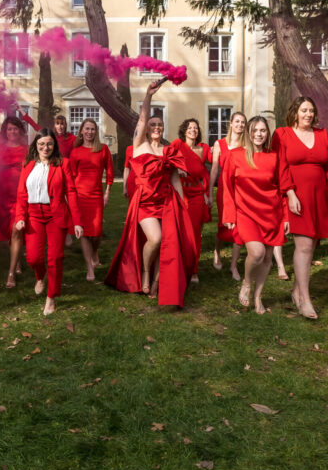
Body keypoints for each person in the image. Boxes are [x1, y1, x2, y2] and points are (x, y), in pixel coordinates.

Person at [105, 80, 196, 306]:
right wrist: (148, 96)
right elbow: (143, 118)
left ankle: (157, 283)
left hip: (166, 200)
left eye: (160, 125)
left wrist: (182, 203)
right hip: (145, 200)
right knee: (155, 239)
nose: (156, 128)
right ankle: (145, 273)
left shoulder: (168, 150)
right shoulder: (139, 146)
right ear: (146, 128)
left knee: (168, 242)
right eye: (152, 125)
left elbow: (174, 178)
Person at [272, 97, 328, 319]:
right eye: (304, 110)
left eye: (311, 110)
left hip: (320, 197)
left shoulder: (322, 134)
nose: (308, 114)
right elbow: (280, 166)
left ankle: (296, 291)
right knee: (303, 246)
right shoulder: (282, 134)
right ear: (295, 112)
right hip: (297, 196)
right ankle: (305, 300)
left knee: (312, 246)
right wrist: (290, 193)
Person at [14, 129, 84, 315]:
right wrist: (20, 217)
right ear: (36, 146)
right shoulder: (27, 165)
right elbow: (21, 194)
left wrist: (77, 221)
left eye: (50, 144)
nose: (46, 147)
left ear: (55, 145)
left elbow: (71, 193)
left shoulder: (63, 164)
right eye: (42, 144)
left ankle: (51, 298)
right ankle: (40, 276)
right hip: (33, 215)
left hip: (55, 215)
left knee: (55, 258)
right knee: (33, 258)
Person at [221, 116, 286, 314]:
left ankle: (258, 297)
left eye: (263, 130)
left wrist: (287, 218)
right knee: (256, 253)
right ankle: (247, 283)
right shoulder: (236, 156)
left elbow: (283, 188)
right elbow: (227, 186)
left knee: (267, 258)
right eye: (255, 130)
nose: (259, 134)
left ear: (267, 134)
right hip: (246, 212)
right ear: (249, 133)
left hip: (271, 213)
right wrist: (229, 215)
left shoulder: (274, 157)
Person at [69, 118, 114, 280]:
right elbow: (72, 177)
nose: (89, 132)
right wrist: (70, 198)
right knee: (84, 232)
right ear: (81, 131)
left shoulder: (103, 149)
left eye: (92, 129)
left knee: (97, 233)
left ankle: (94, 252)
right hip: (80, 196)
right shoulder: (75, 152)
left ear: (96, 132)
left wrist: (107, 192)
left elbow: (109, 171)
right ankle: (90, 268)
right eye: (86, 129)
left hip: (96, 196)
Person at [208, 112, 248, 280]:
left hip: (242, 190)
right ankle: (217, 251)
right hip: (225, 190)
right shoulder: (220, 144)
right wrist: (209, 191)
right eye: (237, 121)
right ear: (231, 123)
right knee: (223, 223)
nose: (240, 125)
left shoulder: (247, 144)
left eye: (243, 122)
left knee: (240, 227)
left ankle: (233, 266)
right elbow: (215, 169)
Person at [0, 112, 29, 288]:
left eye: (15, 129)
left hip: (21, 195)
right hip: (2, 196)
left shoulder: (28, 150)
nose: (12, 132)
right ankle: (17, 259)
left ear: (21, 131)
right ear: (4, 131)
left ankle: (12, 272)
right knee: (9, 231)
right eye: (9, 129)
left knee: (17, 230)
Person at [172, 118, 212, 283]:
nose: (193, 130)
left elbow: (218, 160)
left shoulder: (203, 148)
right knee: (179, 230)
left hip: (197, 193)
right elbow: (167, 159)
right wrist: (177, 168)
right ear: (184, 130)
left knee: (195, 232)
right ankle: (178, 265)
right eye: (189, 127)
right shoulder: (177, 145)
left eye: (195, 128)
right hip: (180, 192)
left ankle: (193, 270)